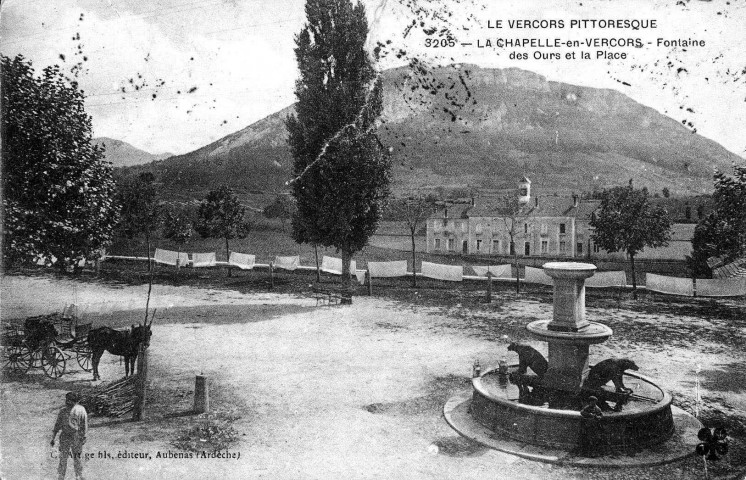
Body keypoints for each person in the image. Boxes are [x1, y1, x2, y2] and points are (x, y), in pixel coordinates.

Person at [51, 392, 88, 480]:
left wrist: (84, 436)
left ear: (75, 402)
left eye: (70, 401)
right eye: (67, 400)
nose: (67, 402)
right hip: (65, 436)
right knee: (63, 457)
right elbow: (57, 424)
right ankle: (61, 475)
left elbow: (84, 423)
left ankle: (78, 475)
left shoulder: (80, 410)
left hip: (76, 436)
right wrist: (53, 437)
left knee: (77, 457)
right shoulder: (63, 411)